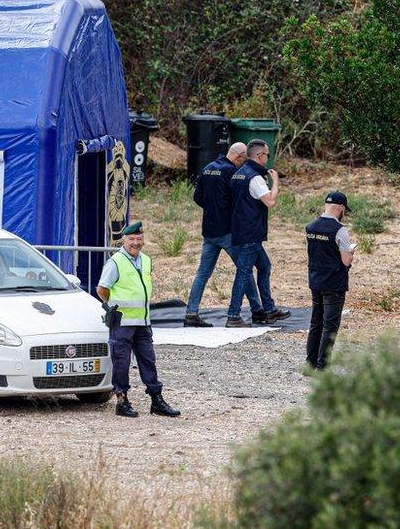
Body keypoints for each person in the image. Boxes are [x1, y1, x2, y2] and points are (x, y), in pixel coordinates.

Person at [96, 221, 181, 418]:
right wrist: (114, 306)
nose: (136, 242)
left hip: (143, 322)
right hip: (122, 322)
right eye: (132, 239)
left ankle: (156, 399)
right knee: (121, 362)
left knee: (148, 360)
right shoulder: (115, 262)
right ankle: (122, 400)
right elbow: (101, 289)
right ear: (123, 240)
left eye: (139, 239)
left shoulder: (146, 260)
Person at [184, 142, 262, 327]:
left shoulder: (208, 168)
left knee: (203, 273)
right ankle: (257, 309)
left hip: (209, 231)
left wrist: (212, 210)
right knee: (245, 269)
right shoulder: (232, 173)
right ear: (239, 156)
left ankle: (191, 312)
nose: (244, 164)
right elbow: (238, 201)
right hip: (227, 231)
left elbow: (197, 197)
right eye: (244, 159)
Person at [225, 139, 291, 327]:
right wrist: (275, 182)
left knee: (264, 266)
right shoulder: (254, 178)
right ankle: (233, 315)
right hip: (250, 232)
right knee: (244, 273)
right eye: (267, 154)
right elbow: (269, 201)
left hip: (241, 230)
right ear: (260, 156)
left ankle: (268, 309)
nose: (268, 158)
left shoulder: (238, 174)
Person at [305, 191, 354, 370]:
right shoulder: (339, 230)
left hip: (315, 279)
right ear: (341, 207)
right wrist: (351, 254)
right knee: (330, 325)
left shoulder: (311, 227)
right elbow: (345, 260)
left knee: (315, 322)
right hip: (334, 282)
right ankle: (322, 366)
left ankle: (310, 364)